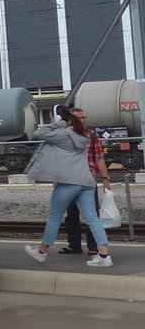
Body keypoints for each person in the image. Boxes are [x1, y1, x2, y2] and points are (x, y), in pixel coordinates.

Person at [24, 104, 111, 267]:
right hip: (87, 181)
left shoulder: (62, 134)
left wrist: (58, 123)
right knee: (92, 218)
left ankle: (42, 251)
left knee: (55, 217)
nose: (50, 120)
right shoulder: (82, 135)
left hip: (69, 182)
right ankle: (104, 255)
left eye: (51, 117)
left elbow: (38, 133)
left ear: (57, 118)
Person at [61, 107, 109, 255]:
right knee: (72, 214)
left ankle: (94, 247)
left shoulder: (92, 136)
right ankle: (74, 245)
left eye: (83, 118)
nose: (82, 121)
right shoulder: (64, 136)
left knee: (92, 215)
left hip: (88, 181)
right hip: (69, 181)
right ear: (70, 121)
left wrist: (106, 179)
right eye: (78, 118)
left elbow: (99, 158)